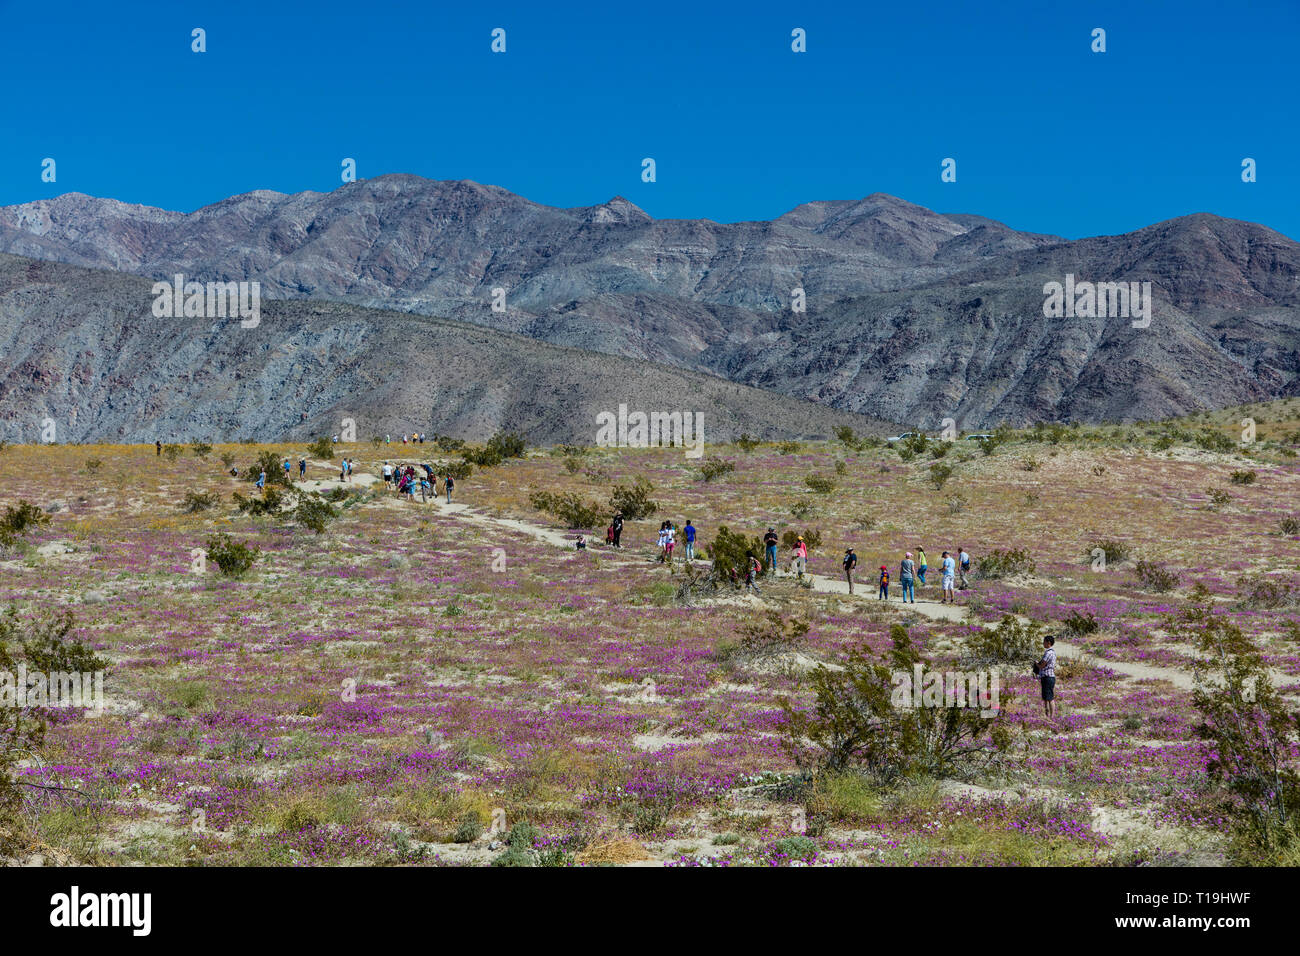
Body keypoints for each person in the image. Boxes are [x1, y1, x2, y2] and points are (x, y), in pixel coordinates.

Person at [1036, 635, 1057, 718]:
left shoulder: (1048, 653)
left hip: (1047, 677)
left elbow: (1042, 666)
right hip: (1050, 676)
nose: (1043, 643)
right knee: (1046, 697)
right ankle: (1047, 715)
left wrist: (1036, 664)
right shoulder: (1053, 652)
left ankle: (1051, 716)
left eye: (1044, 641)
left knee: (1049, 698)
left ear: (1048, 643)